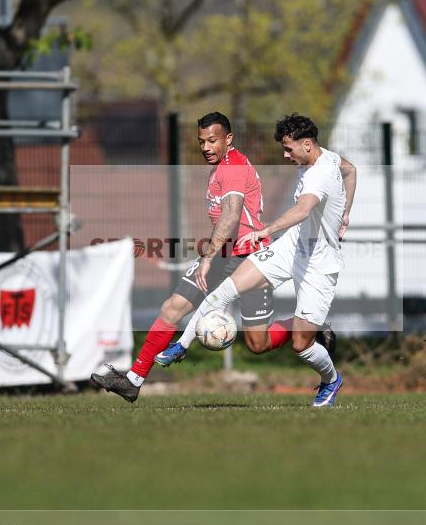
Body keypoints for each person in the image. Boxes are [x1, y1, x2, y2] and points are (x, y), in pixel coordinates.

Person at [92, 111, 295, 402]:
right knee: (172, 308)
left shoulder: (233, 167)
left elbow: (232, 214)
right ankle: (133, 380)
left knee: (257, 343)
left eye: (212, 141)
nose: (206, 147)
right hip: (225, 254)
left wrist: (208, 258)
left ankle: (306, 325)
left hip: (250, 259)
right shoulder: (220, 167)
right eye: (201, 142)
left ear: (229, 139)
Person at [181, 113, 356, 407]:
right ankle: (181, 345)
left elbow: (302, 210)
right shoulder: (327, 157)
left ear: (308, 144)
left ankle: (331, 380)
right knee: (229, 287)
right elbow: (351, 170)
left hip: (319, 263)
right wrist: (346, 212)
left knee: (302, 345)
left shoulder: (319, 174)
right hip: (292, 246)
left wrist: (266, 230)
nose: (285, 155)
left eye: (289, 149)